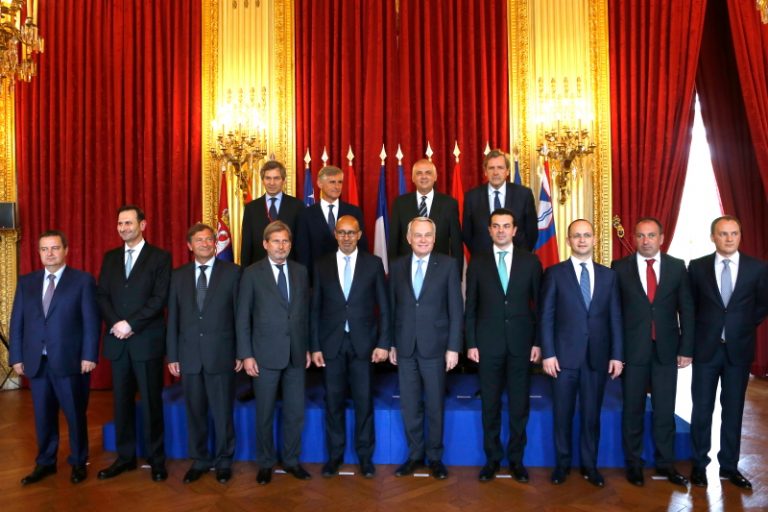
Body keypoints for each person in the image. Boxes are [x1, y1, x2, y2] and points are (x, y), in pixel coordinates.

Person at [10, 230, 100, 485]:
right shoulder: (26, 282)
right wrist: (16, 356)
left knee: (75, 415)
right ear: (39, 252)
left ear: (66, 250)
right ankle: (45, 462)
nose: (49, 253)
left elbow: (91, 321)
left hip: (71, 361)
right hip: (37, 363)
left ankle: (78, 461)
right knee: (43, 416)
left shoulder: (82, 281)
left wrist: (89, 355)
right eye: (44, 249)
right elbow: (17, 322)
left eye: (55, 248)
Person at [540, 219, 623, 488]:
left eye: (587, 235)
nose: (582, 240)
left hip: (597, 358)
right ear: (568, 241)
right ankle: (562, 465)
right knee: (562, 415)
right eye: (577, 236)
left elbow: (615, 318)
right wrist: (548, 353)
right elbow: (546, 316)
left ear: (595, 239)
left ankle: (590, 466)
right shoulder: (554, 273)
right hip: (563, 359)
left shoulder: (609, 276)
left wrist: (617, 355)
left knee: (591, 416)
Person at [611, 217, 694, 488]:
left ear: (661, 238)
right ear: (634, 238)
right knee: (632, 410)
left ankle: (665, 463)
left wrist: (686, 348)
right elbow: (615, 314)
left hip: (667, 350)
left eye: (651, 235)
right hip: (633, 350)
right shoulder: (619, 268)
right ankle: (634, 464)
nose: (646, 241)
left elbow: (687, 310)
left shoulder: (677, 267)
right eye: (640, 236)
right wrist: (617, 352)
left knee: (665, 411)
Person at [688, 215, 768, 489]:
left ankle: (729, 467)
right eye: (723, 233)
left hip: (738, 351)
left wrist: (739, 326)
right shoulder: (697, 267)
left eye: (734, 233)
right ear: (713, 237)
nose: (729, 238)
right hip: (706, 351)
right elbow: (691, 307)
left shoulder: (757, 269)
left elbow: (762, 305)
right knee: (702, 410)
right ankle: (699, 465)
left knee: (733, 411)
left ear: (740, 236)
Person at [465, 208, 542, 483]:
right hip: (488, 345)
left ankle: (517, 460)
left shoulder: (531, 262)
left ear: (514, 230)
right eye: (496, 226)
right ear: (489, 230)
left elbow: (540, 306)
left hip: (522, 344)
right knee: (490, 405)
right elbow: (471, 306)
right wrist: (471, 342)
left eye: (506, 226)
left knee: (519, 405)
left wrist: (538, 342)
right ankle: (492, 459)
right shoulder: (478, 262)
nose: (501, 230)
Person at [310, 215, 390, 478]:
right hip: (331, 345)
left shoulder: (373, 264)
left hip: (364, 345)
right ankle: (335, 456)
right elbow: (314, 309)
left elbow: (384, 308)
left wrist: (383, 343)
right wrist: (315, 346)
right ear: (335, 234)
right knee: (333, 403)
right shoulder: (321, 265)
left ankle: (365, 457)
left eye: (351, 232)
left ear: (359, 235)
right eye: (342, 232)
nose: (346, 237)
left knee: (363, 402)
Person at [96, 205, 172, 482]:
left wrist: (131, 324)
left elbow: (159, 298)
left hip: (146, 341)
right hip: (118, 342)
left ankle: (156, 459)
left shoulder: (160, 257)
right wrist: (116, 323)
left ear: (143, 225)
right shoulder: (110, 257)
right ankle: (125, 458)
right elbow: (102, 295)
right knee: (121, 403)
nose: (124, 228)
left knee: (151, 403)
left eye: (129, 223)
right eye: (120, 223)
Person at [236, 220, 312, 485]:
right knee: (265, 412)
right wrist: (246, 354)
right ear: (265, 244)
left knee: (295, 412)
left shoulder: (300, 271)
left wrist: (307, 347)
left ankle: (291, 460)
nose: (281, 246)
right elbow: (243, 317)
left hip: (296, 354)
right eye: (276, 241)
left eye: (285, 241)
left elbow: (305, 314)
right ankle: (266, 462)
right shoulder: (252, 274)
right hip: (263, 355)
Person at [166, 223, 242, 484]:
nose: (205, 244)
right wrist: (173, 355)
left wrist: (240, 352)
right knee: (195, 412)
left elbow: (240, 316)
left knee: (222, 413)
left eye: (209, 239)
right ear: (190, 245)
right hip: (189, 356)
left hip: (221, 354)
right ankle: (199, 460)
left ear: (215, 243)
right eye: (199, 240)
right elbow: (173, 319)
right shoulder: (178, 276)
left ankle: (224, 461)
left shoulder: (232, 273)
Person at [388, 217, 463, 480]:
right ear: (408, 238)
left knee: (434, 404)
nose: (423, 239)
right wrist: (391, 343)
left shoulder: (448, 265)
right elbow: (392, 308)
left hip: (436, 346)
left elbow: (456, 309)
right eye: (417, 235)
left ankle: (435, 457)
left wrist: (453, 347)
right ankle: (414, 455)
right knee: (410, 405)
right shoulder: (396, 266)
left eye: (427, 235)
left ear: (434, 238)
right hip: (405, 346)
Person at [389, 158, 463, 272]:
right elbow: (394, 241)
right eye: (419, 173)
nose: (424, 177)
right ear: (413, 178)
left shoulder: (449, 204)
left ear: (435, 177)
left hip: (440, 270)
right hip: (407, 270)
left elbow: (456, 243)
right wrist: (393, 272)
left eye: (428, 173)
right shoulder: (400, 203)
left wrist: (457, 274)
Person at [295, 165, 368, 280]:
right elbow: (303, 252)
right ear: (320, 184)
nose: (337, 186)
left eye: (340, 182)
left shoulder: (354, 212)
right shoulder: (306, 215)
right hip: (316, 279)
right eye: (332, 182)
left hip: (349, 276)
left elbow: (362, 246)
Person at [462, 149, 538, 254]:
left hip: (517, 258)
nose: (495, 172)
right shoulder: (472, 197)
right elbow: (467, 234)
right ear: (485, 172)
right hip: (483, 258)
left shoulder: (524, 195)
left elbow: (532, 232)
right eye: (491, 168)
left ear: (507, 171)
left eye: (500, 168)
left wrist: (520, 255)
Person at [240, 160, 305, 266]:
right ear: (262, 180)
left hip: (289, 268)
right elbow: (246, 245)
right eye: (268, 178)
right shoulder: (251, 208)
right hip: (258, 269)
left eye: (276, 178)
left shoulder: (297, 206)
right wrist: (245, 271)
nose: (272, 183)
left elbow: (302, 243)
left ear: (283, 180)